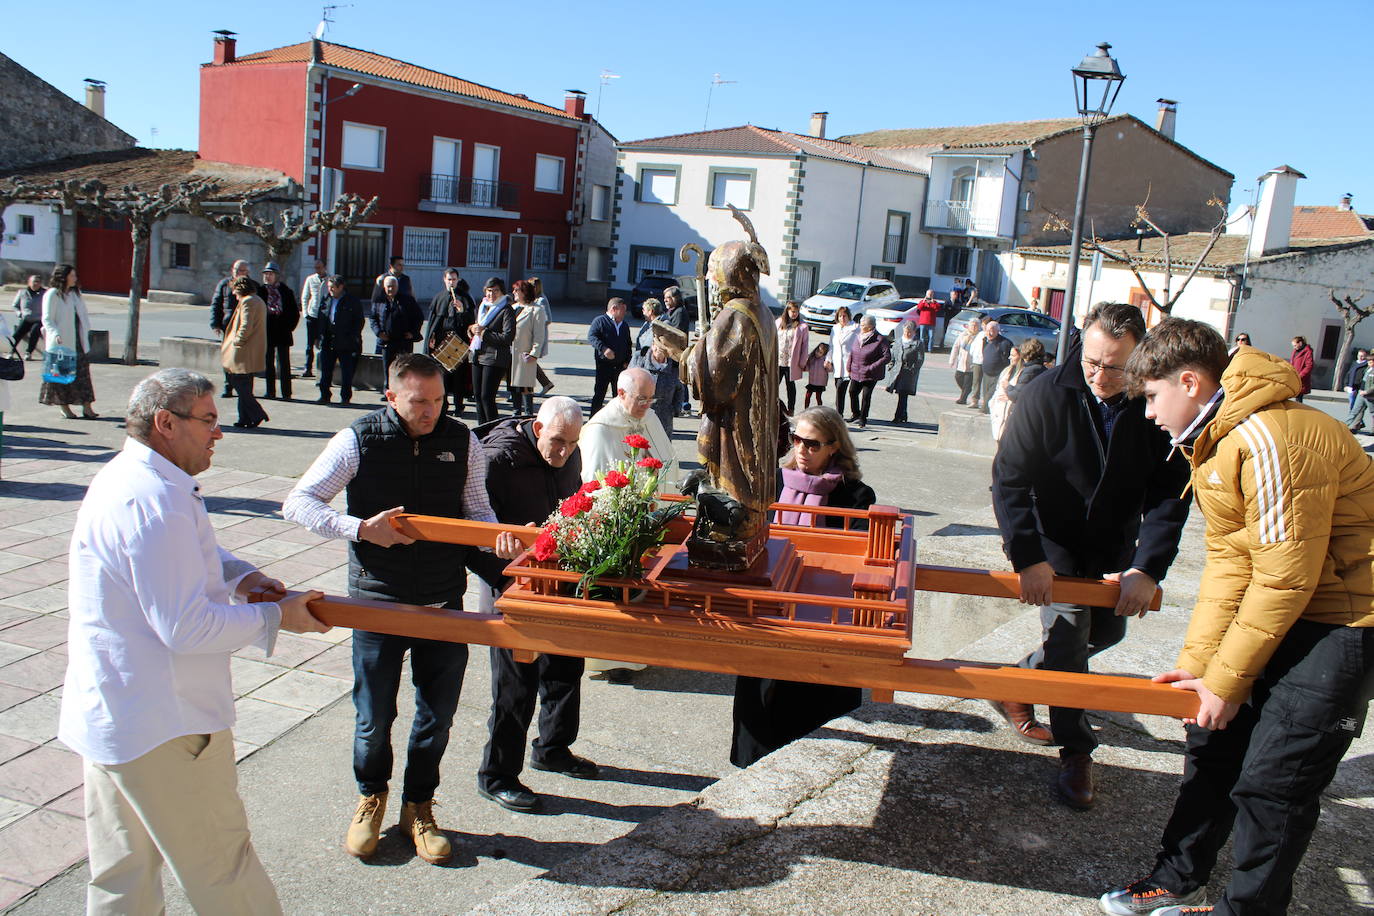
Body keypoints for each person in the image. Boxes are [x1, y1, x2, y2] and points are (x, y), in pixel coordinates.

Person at [1100, 317, 1374, 916]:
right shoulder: (1220, 438)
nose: (1148, 414)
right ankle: (1176, 877)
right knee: (1211, 736)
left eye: (1151, 397)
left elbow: (1283, 576)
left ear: (1191, 382)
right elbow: (1230, 564)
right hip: (1291, 606)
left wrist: (1227, 680)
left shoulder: (1272, 437)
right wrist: (1201, 668)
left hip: (1345, 621)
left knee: (1276, 784)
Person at [60, 368, 328, 914]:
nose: (219, 433)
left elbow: (182, 558)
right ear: (165, 423)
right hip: (167, 729)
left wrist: (240, 576)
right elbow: (186, 628)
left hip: (117, 718)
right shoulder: (153, 501)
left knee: (121, 878)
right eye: (208, 420)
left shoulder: (135, 481)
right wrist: (279, 617)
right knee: (223, 872)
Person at [282, 354, 517, 866]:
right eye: (418, 402)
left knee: (436, 718)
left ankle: (418, 807)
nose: (431, 411)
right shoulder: (358, 440)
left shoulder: (463, 440)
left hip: (441, 602)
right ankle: (372, 797)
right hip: (377, 603)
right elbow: (299, 502)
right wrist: (360, 528)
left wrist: (495, 538)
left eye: (437, 400)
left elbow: (478, 511)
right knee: (373, 717)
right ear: (391, 397)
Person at [991, 302, 1192, 809]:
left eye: (1115, 367)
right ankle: (1076, 751)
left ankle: (1015, 682)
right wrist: (1028, 556)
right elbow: (1009, 479)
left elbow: (1171, 493)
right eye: (1091, 362)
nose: (1100, 376)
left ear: (1141, 358)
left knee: (1105, 632)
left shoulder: (1153, 406)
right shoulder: (1045, 393)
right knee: (1069, 645)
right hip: (1051, 545)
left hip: (1113, 548)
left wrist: (1147, 566)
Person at [731, 405, 875, 767]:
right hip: (769, 605)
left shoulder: (856, 496)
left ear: (834, 447)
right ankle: (752, 768)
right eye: (796, 439)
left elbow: (859, 556)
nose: (801, 449)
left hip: (821, 614)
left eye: (811, 444)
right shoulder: (773, 483)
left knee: (813, 700)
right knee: (760, 691)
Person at [476, 396, 598, 812]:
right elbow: (470, 528)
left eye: (572, 444)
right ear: (538, 428)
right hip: (510, 585)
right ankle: (497, 776)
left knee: (566, 665)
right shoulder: (498, 460)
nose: (564, 452)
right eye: (558, 442)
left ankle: (553, 747)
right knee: (515, 684)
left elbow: (571, 502)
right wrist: (500, 555)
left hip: (559, 576)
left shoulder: (569, 452)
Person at [581, 367, 676, 487]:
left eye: (651, 398)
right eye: (641, 399)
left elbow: (670, 463)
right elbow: (594, 481)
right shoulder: (599, 429)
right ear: (621, 393)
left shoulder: (650, 418)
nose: (647, 405)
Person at [39, 263, 98, 420]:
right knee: (61, 375)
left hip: (78, 340)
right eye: (72, 275)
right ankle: (64, 407)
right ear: (63, 277)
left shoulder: (74, 294)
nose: (75, 278)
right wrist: (55, 333)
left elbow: (82, 316)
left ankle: (87, 407)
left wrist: (87, 331)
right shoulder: (52, 294)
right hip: (61, 342)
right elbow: (47, 318)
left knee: (83, 373)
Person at [425, 269, 476, 415]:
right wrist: (432, 337)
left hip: (459, 341)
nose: (451, 282)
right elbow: (434, 322)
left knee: (458, 376)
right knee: (443, 376)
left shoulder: (465, 298)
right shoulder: (439, 297)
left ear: (458, 280)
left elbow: (470, 322)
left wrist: (461, 310)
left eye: (454, 279)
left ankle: (459, 405)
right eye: (449, 279)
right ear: (444, 280)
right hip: (442, 340)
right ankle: (443, 405)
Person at [221, 276, 270, 429]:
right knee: (245, 385)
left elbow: (245, 326)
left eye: (235, 291)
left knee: (238, 382)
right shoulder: (258, 300)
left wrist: (237, 342)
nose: (234, 294)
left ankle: (256, 413)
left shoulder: (248, 301)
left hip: (244, 350)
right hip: (251, 349)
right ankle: (244, 418)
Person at [470, 277, 516, 425]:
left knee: (487, 397)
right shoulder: (483, 306)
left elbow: (508, 337)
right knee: (477, 395)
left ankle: (493, 430)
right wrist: (471, 329)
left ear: (502, 292)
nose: (491, 294)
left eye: (495, 291)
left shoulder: (506, 309)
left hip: (495, 358)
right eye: (489, 291)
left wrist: (484, 333)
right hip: (477, 354)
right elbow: (475, 327)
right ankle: (481, 430)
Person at [316, 275, 365, 405]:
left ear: (341, 287)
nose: (330, 290)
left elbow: (359, 321)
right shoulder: (326, 299)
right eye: (329, 287)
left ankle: (345, 397)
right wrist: (318, 337)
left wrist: (353, 337)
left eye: (332, 287)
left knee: (346, 372)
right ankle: (324, 395)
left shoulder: (352, 301)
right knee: (326, 370)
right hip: (328, 341)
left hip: (346, 342)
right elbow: (321, 319)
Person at [630, 299, 678, 434]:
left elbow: (679, 388)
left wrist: (674, 410)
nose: (643, 313)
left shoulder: (662, 326)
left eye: (644, 310)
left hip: (663, 415)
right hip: (642, 412)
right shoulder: (649, 325)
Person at [210, 259, 255, 397]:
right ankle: (228, 386)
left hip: (246, 327)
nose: (237, 272)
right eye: (236, 270)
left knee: (246, 359)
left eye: (241, 270)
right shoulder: (224, 284)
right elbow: (216, 304)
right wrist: (215, 324)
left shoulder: (253, 286)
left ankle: (247, 389)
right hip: (228, 325)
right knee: (228, 358)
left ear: (247, 272)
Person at [371, 275, 423, 389]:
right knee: (388, 368)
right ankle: (388, 390)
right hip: (387, 341)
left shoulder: (407, 300)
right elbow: (373, 318)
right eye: (388, 287)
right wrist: (379, 332)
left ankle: (403, 389)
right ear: (384, 287)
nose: (390, 289)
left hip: (404, 341)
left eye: (393, 286)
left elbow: (419, 317)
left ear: (397, 287)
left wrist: (413, 333)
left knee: (404, 368)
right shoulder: (379, 301)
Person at [508, 279, 548, 416]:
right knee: (513, 384)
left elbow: (539, 335)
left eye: (516, 290)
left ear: (524, 292)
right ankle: (516, 412)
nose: (513, 292)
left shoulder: (536, 310)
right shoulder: (512, 308)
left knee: (525, 385)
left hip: (525, 353)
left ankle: (528, 414)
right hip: (511, 352)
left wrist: (534, 353)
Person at [260, 262, 300, 401]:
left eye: (270, 274)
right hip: (267, 332)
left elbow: (295, 313)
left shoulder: (286, 291)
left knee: (284, 363)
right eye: (266, 274)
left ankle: (286, 392)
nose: (267, 277)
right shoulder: (260, 291)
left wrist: (289, 327)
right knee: (269, 363)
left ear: (276, 275)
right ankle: (270, 391)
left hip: (283, 331)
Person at [587, 297, 631, 414]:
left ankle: (618, 420)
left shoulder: (624, 325)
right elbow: (592, 337)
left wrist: (627, 360)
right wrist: (604, 349)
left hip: (620, 367)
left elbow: (628, 343)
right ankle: (593, 420)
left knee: (619, 395)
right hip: (604, 366)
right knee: (600, 394)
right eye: (623, 310)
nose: (625, 313)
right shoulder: (600, 321)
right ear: (614, 309)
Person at [846, 315, 890, 429]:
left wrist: (871, 367)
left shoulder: (880, 339)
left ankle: (863, 418)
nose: (860, 326)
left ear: (870, 327)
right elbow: (852, 352)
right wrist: (848, 365)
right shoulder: (858, 336)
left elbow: (887, 357)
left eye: (863, 325)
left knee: (866, 396)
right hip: (856, 370)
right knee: (852, 392)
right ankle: (856, 413)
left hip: (871, 374)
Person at [662, 285, 693, 415]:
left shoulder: (680, 312)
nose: (665, 300)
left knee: (679, 380)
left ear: (675, 298)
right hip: (671, 352)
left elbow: (675, 331)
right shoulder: (672, 311)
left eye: (668, 298)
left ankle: (683, 405)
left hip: (676, 352)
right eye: (664, 298)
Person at [776, 301, 809, 415]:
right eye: (792, 311)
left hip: (791, 361)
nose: (794, 314)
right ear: (787, 311)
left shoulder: (802, 326)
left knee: (790, 386)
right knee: (774, 384)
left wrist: (802, 361)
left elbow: (805, 346)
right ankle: (773, 405)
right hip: (779, 360)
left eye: (796, 312)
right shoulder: (779, 322)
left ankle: (791, 409)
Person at [887, 321, 924, 423]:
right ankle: (903, 415)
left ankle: (897, 416)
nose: (907, 334)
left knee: (903, 394)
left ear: (913, 332)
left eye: (909, 332)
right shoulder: (898, 341)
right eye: (905, 332)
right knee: (901, 395)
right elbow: (893, 355)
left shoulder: (918, 343)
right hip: (897, 372)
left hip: (908, 373)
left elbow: (920, 359)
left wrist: (913, 369)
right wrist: (891, 365)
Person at [825, 305, 858, 413]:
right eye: (840, 316)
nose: (842, 318)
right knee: (839, 388)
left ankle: (839, 413)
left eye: (844, 316)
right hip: (837, 363)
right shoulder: (835, 328)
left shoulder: (855, 328)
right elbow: (831, 345)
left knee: (842, 388)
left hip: (849, 363)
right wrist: (828, 359)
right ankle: (854, 413)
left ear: (849, 316)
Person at [299, 259, 328, 378]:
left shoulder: (330, 279)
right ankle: (308, 367)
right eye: (316, 268)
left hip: (324, 315)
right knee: (309, 344)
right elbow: (305, 297)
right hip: (312, 314)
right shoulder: (311, 279)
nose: (318, 270)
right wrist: (305, 313)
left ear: (324, 267)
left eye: (320, 267)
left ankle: (322, 368)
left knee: (323, 342)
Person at [528, 276, 556, 395]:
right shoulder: (532, 299)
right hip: (530, 334)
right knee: (530, 361)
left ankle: (528, 389)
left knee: (530, 361)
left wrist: (535, 323)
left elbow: (548, 319)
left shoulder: (541, 300)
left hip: (538, 335)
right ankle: (546, 383)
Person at [978, 320, 1014, 415]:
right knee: (985, 392)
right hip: (986, 372)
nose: (989, 333)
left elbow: (1009, 359)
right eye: (988, 330)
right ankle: (987, 408)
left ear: (998, 331)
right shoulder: (985, 341)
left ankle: (985, 408)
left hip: (999, 372)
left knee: (991, 392)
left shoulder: (1005, 343)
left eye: (992, 330)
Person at [988, 344, 1022, 443]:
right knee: (998, 438)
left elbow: (1020, 391)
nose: (1009, 357)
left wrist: (1009, 394)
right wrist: (992, 403)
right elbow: (998, 388)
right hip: (999, 410)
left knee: (1006, 440)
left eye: (1013, 355)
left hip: (1011, 411)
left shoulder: (1023, 373)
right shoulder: (1007, 370)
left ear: (1020, 357)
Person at [9, 274, 44, 360]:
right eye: (34, 281)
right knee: (17, 335)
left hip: (38, 319)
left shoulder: (44, 293)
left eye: (38, 282)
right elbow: (15, 305)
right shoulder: (22, 292)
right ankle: (11, 351)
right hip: (25, 318)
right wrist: (19, 314)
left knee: (35, 332)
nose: (36, 284)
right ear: (29, 283)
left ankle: (28, 353)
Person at [949, 317, 980, 405]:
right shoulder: (963, 335)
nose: (974, 327)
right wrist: (952, 360)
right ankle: (966, 390)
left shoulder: (979, 336)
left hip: (972, 363)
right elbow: (956, 346)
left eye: (976, 326)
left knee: (968, 381)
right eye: (972, 325)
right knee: (958, 377)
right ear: (969, 326)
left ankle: (963, 398)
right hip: (961, 362)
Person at [1346, 350, 1374, 435]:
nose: (1368, 363)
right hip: (1361, 393)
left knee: (1372, 413)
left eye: (1370, 362)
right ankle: (1347, 426)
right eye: (1368, 362)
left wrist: (1366, 392)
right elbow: (1362, 381)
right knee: (1356, 410)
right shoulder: (1367, 370)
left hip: (1370, 396)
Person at [967, 319, 988, 409]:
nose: (983, 327)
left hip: (987, 362)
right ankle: (975, 400)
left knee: (987, 383)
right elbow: (973, 347)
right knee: (976, 382)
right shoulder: (980, 334)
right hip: (977, 361)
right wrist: (973, 356)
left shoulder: (991, 335)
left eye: (985, 325)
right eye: (983, 325)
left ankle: (986, 402)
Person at [804, 341, 830, 408]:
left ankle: (820, 409)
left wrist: (828, 365)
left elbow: (829, 370)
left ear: (824, 353)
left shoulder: (825, 360)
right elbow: (807, 368)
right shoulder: (812, 358)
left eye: (820, 352)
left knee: (818, 397)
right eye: (817, 350)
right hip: (812, 382)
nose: (817, 353)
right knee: (807, 396)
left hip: (820, 383)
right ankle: (806, 409)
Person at [1343, 347, 1369, 412]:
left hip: (1360, 388)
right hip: (1351, 387)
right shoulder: (1354, 363)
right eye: (1359, 355)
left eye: (1362, 356)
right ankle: (1354, 417)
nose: (1360, 357)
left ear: (1365, 356)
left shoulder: (1367, 365)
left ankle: (1354, 418)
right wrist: (1346, 385)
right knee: (1352, 402)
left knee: (1357, 405)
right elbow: (1348, 374)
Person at [1288, 335, 1313, 402]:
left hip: (1301, 379)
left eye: (1295, 345)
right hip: (1294, 377)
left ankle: (1298, 411)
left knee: (1299, 398)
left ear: (1300, 343)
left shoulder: (1308, 352)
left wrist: (1300, 375)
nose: (1294, 347)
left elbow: (1309, 366)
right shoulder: (1295, 351)